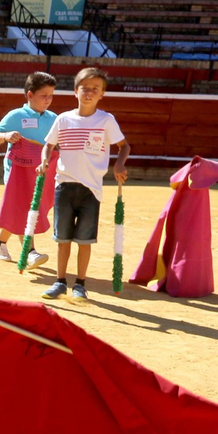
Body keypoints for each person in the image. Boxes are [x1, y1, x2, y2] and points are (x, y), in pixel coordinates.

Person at [37, 67, 129, 300]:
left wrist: (119, 164)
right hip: (64, 185)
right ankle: (59, 281)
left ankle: (80, 283)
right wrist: (45, 161)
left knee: (84, 240)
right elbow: (49, 144)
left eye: (94, 90)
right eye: (84, 88)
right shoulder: (63, 119)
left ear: (102, 94)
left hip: (92, 189)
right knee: (63, 239)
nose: (89, 93)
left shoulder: (106, 120)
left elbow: (124, 146)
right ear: (75, 91)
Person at [0, 71, 57, 266]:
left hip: (40, 170)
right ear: (30, 95)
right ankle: (30, 251)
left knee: (25, 207)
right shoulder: (16, 115)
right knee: (27, 207)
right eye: (44, 95)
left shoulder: (53, 118)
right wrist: (6, 135)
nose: (48, 100)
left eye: (51, 95)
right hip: (16, 170)